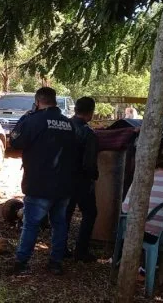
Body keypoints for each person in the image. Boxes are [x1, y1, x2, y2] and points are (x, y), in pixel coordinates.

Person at [10, 87, 77, 275]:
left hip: (39, 183)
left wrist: (25, 118)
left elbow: (15, 142)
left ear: (37, 102)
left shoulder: (33, 121)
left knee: (31, 224)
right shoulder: (68, 124)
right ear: (55, 101)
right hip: (64, 184)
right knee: (59, 223)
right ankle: (55, 262)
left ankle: (22, 262)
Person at [65, 97, 99, 262]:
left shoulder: (64, 126)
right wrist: (94, 176)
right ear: (91, 112)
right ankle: (81, 250)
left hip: (64, 179)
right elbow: (89, 163)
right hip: (82, 181)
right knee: (90, 213)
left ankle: (61, 248)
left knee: (65, 214)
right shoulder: (88, 133)